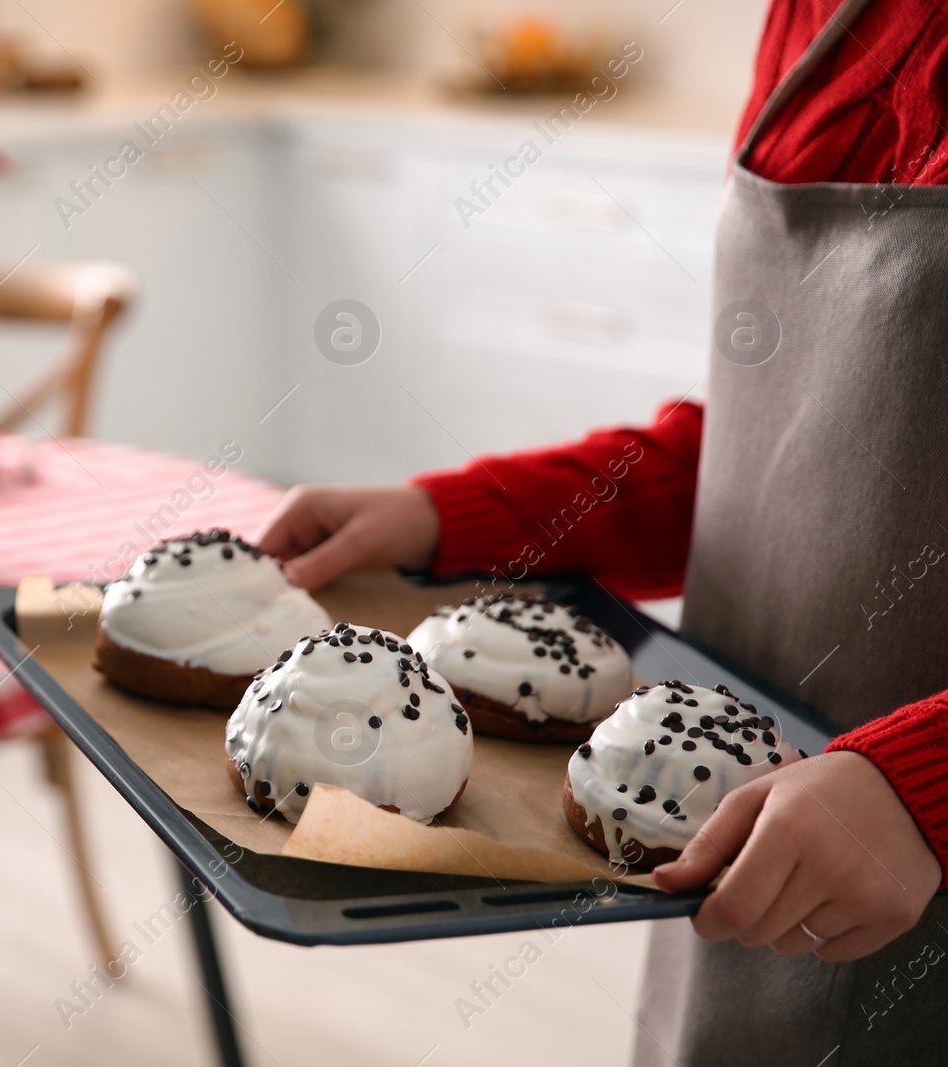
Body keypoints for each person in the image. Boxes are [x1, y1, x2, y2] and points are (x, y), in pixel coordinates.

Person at [257, 0, 948, 1062]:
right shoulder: (810, 20)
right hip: (728, 843)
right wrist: (456, 514)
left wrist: (922, 780)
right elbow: (794, 443)